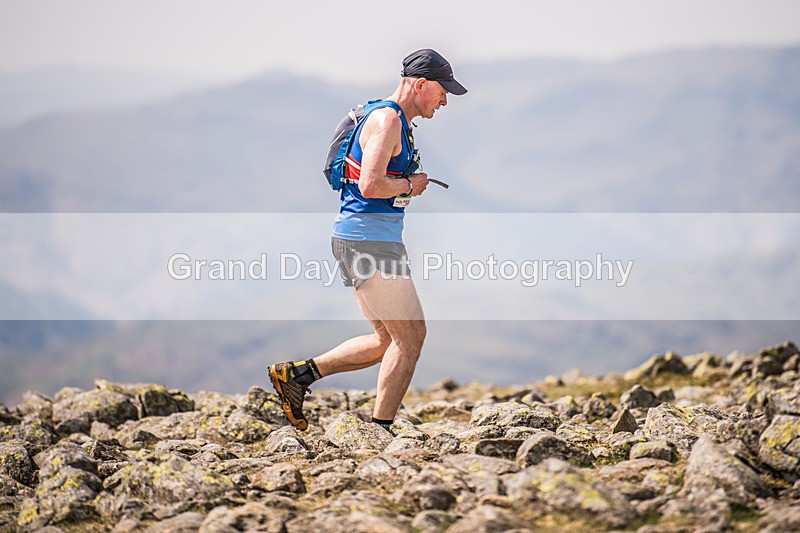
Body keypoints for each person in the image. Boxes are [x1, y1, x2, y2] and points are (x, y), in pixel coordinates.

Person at [269, 48, 467, 432]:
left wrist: (407, 187)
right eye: (443, 91)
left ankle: (296, 377)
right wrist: (412, 184)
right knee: (411, 338)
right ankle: (381, 430)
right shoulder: (387, 120)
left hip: (364, 240)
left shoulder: (393, 121)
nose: (445, 100)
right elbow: (370, 184)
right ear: (421, 83)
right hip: (368, 243)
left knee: (385, 341)